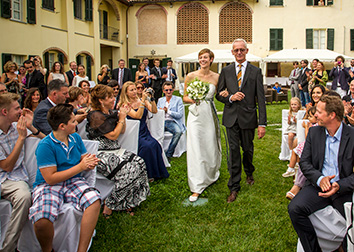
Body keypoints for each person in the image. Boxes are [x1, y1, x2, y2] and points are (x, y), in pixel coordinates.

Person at [29, 104, 101, 252]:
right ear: (62, 126)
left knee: (94, 200)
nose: (76, 123)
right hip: (48, 185)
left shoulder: (75, 138)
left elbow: (83, 158)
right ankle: (48, 250)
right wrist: (80, 167)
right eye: (73, 121)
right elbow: (50, 178)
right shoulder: (45, 145)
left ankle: (81, 249)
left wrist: (89, 162)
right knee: (41, 221)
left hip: (73, 181)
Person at [288, 95, 354, 252]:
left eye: (318, 111)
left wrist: (340, 185)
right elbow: (304, 163)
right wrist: (319, 179)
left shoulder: (352, 136)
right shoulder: (314, 132)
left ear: (332, 115)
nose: (314, 114)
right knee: (295, 208)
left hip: (343, 188)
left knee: (349, 230)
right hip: (318, 186)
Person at [86, 84, 150, 217]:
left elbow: (123, 131)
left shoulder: (110, 113)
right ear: (101, 101)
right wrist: (121, 118)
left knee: (140, 163)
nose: (113, 99)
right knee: (128, 170)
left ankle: (130, 201)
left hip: (115, 149)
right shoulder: (95, 116)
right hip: (100, 153)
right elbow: (113, 135)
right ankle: (110, 204)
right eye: (109, 97)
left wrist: (123, 115)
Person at [216, 38, 267, 203]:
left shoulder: (255, 72)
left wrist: (262, 123)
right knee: (233, 152)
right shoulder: (226, 71)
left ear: (246, 51)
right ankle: (234, 187)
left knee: (247, 149)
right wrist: (230, 97)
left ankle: (249, 171)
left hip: (248, 118)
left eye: (242, 50)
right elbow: (219, 94)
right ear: (232, 52)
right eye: (236, 50)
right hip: (231, 118)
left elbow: (260, 98)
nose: (239, 52)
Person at [0, 93, 45, 252]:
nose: (21, 110)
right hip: (4, 174)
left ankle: (8, 249)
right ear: (5, 112)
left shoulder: (16, 127)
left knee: (25, 196)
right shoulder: (18, 132)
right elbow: (6, 166)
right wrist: (21, 138)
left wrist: (31, 126)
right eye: (17, 108)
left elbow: (45, 140)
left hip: (15, 180)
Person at [183, 48, 221, 202]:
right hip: (195, 115)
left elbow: (219, 95)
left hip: (209, 114)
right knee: (196, 147)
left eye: (205, 57)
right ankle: (197, 184)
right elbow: (184, 96)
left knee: (210, 144)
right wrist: (193, 99)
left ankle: (210, 175)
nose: (203, 60)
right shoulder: (190, 76)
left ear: (211, 59)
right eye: (200, 57)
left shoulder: (217, 77)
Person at [120, 81, 169, 181]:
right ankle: (146, 173)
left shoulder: (141, 100)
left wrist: (152, 99)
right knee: (147, 147)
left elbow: (154, 110)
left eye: (135, 89)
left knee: (155, 145)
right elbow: (137, 116)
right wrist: (142, 100)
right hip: (133, 133)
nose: (135, 92)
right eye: (132, 90)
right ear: (126, 92)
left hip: (144, 130)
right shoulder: (125, 105)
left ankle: (157, 172)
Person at [285, 106, 318, 200]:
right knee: (298, 153)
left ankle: (297, 182)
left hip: (313, 146)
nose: (309, 118)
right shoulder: (314, 124)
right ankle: (293, 172)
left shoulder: (316, 127)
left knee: (303, 156)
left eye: (311, 116)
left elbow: (309, 138)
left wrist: (307, 128)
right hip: (310, 145)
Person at [157, 81, 186, 159]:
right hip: (161, 121)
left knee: (178, 132)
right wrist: (160, 111)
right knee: (154, 133)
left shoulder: (178, 100)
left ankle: (169, 154)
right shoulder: (160, 100)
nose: (168, 92)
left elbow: (180, 115)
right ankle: (158, 153)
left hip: (172, 121)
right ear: (163, 91)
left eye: (170, 89)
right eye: (166, 90)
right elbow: (156, 112)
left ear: (173, 90)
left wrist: (168, 111)